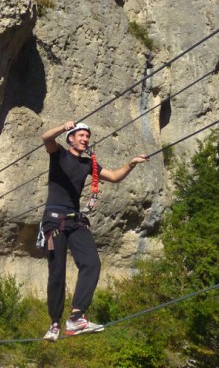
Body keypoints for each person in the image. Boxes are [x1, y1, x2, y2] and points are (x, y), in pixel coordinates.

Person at [41, 121, 149, 341]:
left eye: (87, 136)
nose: (85, 139)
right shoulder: (59, 155)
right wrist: (63, 126)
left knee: (92, 262)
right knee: (57, 274)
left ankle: (76, 316)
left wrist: (131, 164)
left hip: (74, 220)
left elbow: (115, 177)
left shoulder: (88, 164)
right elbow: (46, 138)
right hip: (54, 222)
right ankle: (54, 323)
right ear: (71, 138)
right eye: (81, 135)